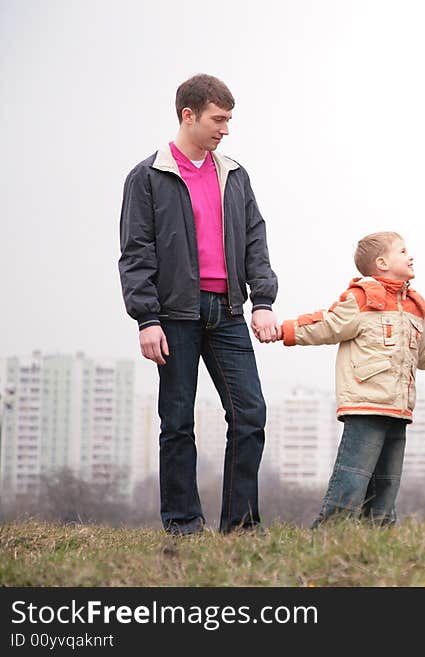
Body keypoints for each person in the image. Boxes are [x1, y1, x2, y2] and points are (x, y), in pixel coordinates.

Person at [118, 74, 280, 535]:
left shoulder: (234, 175)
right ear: (188, 115)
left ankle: (241, 525)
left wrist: (262, 301)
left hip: (228, 313)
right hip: (174, 317)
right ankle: (183, 524)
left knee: (250, 413)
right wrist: (147, 318)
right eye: (218, 119)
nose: (225, 129)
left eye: (228, 120)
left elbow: (254, 240)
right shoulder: (147, 178)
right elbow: (136, 251)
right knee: (177, 421)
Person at [278, 232, 425, 526]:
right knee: (353, 475)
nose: (410, 256)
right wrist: (286, 330)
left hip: (399, 409)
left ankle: (378, 532)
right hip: (365, 404)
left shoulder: (416, 308)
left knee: (387, 480)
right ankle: (330, 531)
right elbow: (326, 324)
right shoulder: (361, 299)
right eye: (403, 251)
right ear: (382, 263)